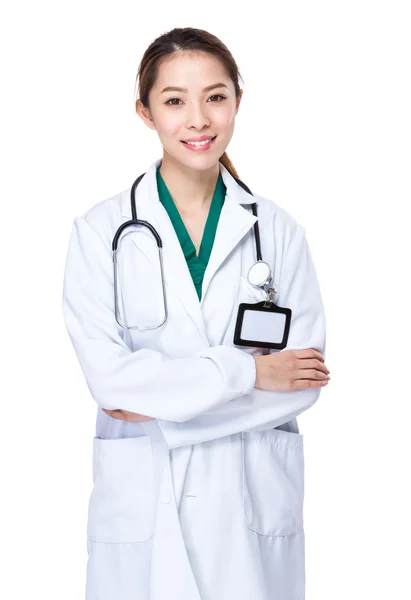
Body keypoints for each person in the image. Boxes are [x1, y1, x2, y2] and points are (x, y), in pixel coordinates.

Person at [62, 26, 329, 600]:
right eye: (174, 101)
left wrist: (161, 405)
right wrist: (249, 374)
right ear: (146, 112)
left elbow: (303, 380)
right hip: (143, 510)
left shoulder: (277, 233)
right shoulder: (99, 232)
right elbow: (110, 382)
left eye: (215, 97)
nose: (198, 120)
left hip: (248, 506)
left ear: (237, 101)